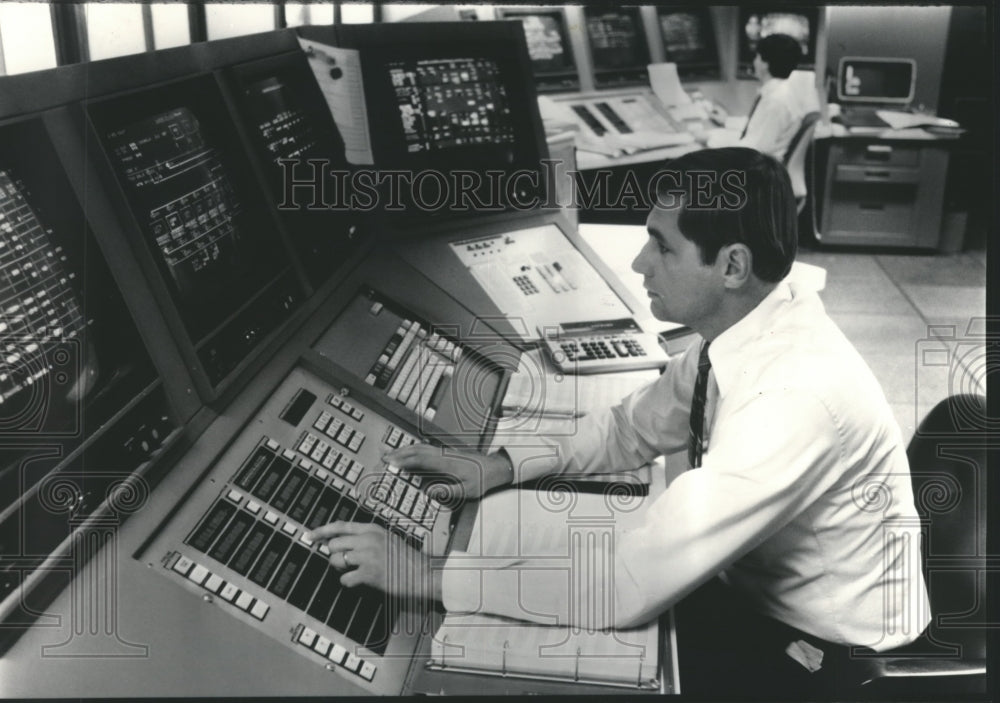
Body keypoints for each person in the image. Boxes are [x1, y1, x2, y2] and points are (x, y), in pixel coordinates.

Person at [308, 148, 930, 697]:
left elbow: (627, 586)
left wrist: (424, 575)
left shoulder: (795, 397)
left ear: (733, 267)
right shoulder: (749, 326)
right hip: (757, 593)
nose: (639, 264)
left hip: (828, 658)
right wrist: (497, 467)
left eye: (662, 246)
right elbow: (632, 428)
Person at [703, 33, 809, 161]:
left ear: (765, 64)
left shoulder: (776, 102)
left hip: (758, 169)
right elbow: (758, 128)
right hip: (760, 159)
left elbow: (755, 150)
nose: (754, 62)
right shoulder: (780, 92)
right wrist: (726, 121)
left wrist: (709, 141)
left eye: (757, 57)